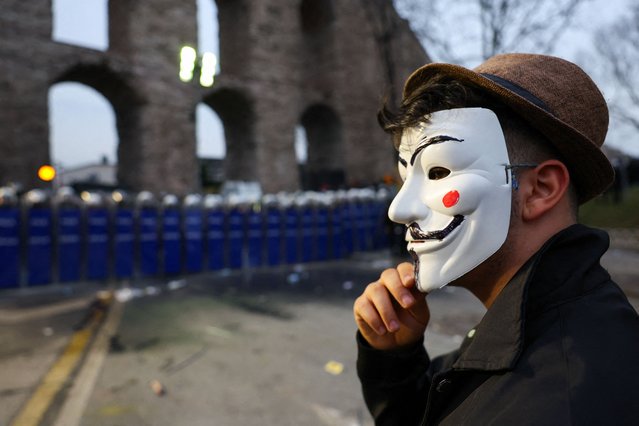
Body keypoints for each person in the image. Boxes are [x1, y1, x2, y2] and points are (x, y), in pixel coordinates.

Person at [353, 53, 639, 425]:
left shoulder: (557, 402)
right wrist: (395, 359)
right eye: (407, 178)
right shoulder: (526, 334)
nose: (399, 209)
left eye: (438, 171)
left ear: (539, 190)